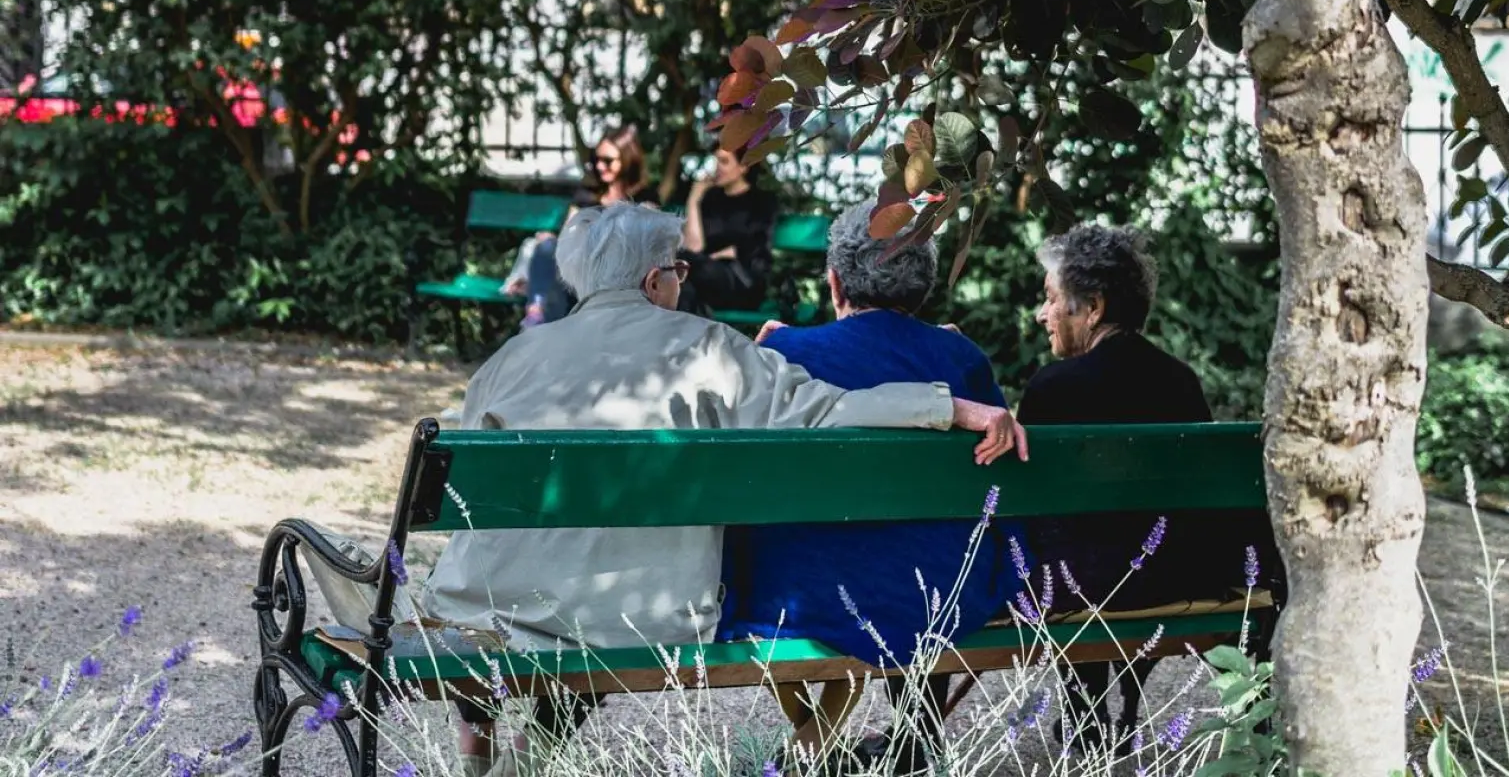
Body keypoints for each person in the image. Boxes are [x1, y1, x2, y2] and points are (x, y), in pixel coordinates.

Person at [319, 202, 1028, 777]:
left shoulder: (513, 357)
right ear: (657, 280)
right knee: (585, 589)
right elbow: (826, 411)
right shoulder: (711, 348)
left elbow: (473, 501)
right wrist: (949, 406)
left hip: (500, 607)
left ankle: (481, 748)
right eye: (679, 271)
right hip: (654, 615)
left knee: (490, 584)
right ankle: (512, 756)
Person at [718, 203, 1025, 756]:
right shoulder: (960, 358)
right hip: (934, 593)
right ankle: (894, 738)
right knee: (931, 547)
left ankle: (812, 739)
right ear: (923, 287)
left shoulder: (787, 352)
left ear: (835, 282)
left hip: (799, 594)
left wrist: (768, 352)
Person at [1017, 223, 1283, 746]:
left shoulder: (1051, 388)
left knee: (1073, 549)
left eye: (1051, 299)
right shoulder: (1179, 380)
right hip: (1178, 577)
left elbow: (1027, 508)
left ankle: (1085, 706)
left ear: (1093, 307)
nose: (1041, 314)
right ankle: (1114, 703)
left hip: (1080, 587)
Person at [504, 123, 656, 326]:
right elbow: (568, 235)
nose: (600, 166)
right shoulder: (588, 193)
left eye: (608, 161)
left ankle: (541, 329)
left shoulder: (644, 198)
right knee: (547, 248)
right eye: (597, 159)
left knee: (560, 283)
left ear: (628, 160)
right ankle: (535, 313)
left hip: (613, 274)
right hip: (577, 265)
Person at [677, 145, 778, 314]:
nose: (717, 167)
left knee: (686, 273)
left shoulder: (762, 201)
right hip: (704, 275)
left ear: (743, 166)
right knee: (684, 288)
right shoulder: (710, 199)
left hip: (742, 280)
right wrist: (694, 201)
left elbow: (752, 247)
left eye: (724, 161)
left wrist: (710, 257)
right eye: (716, 161)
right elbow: (694, 247)